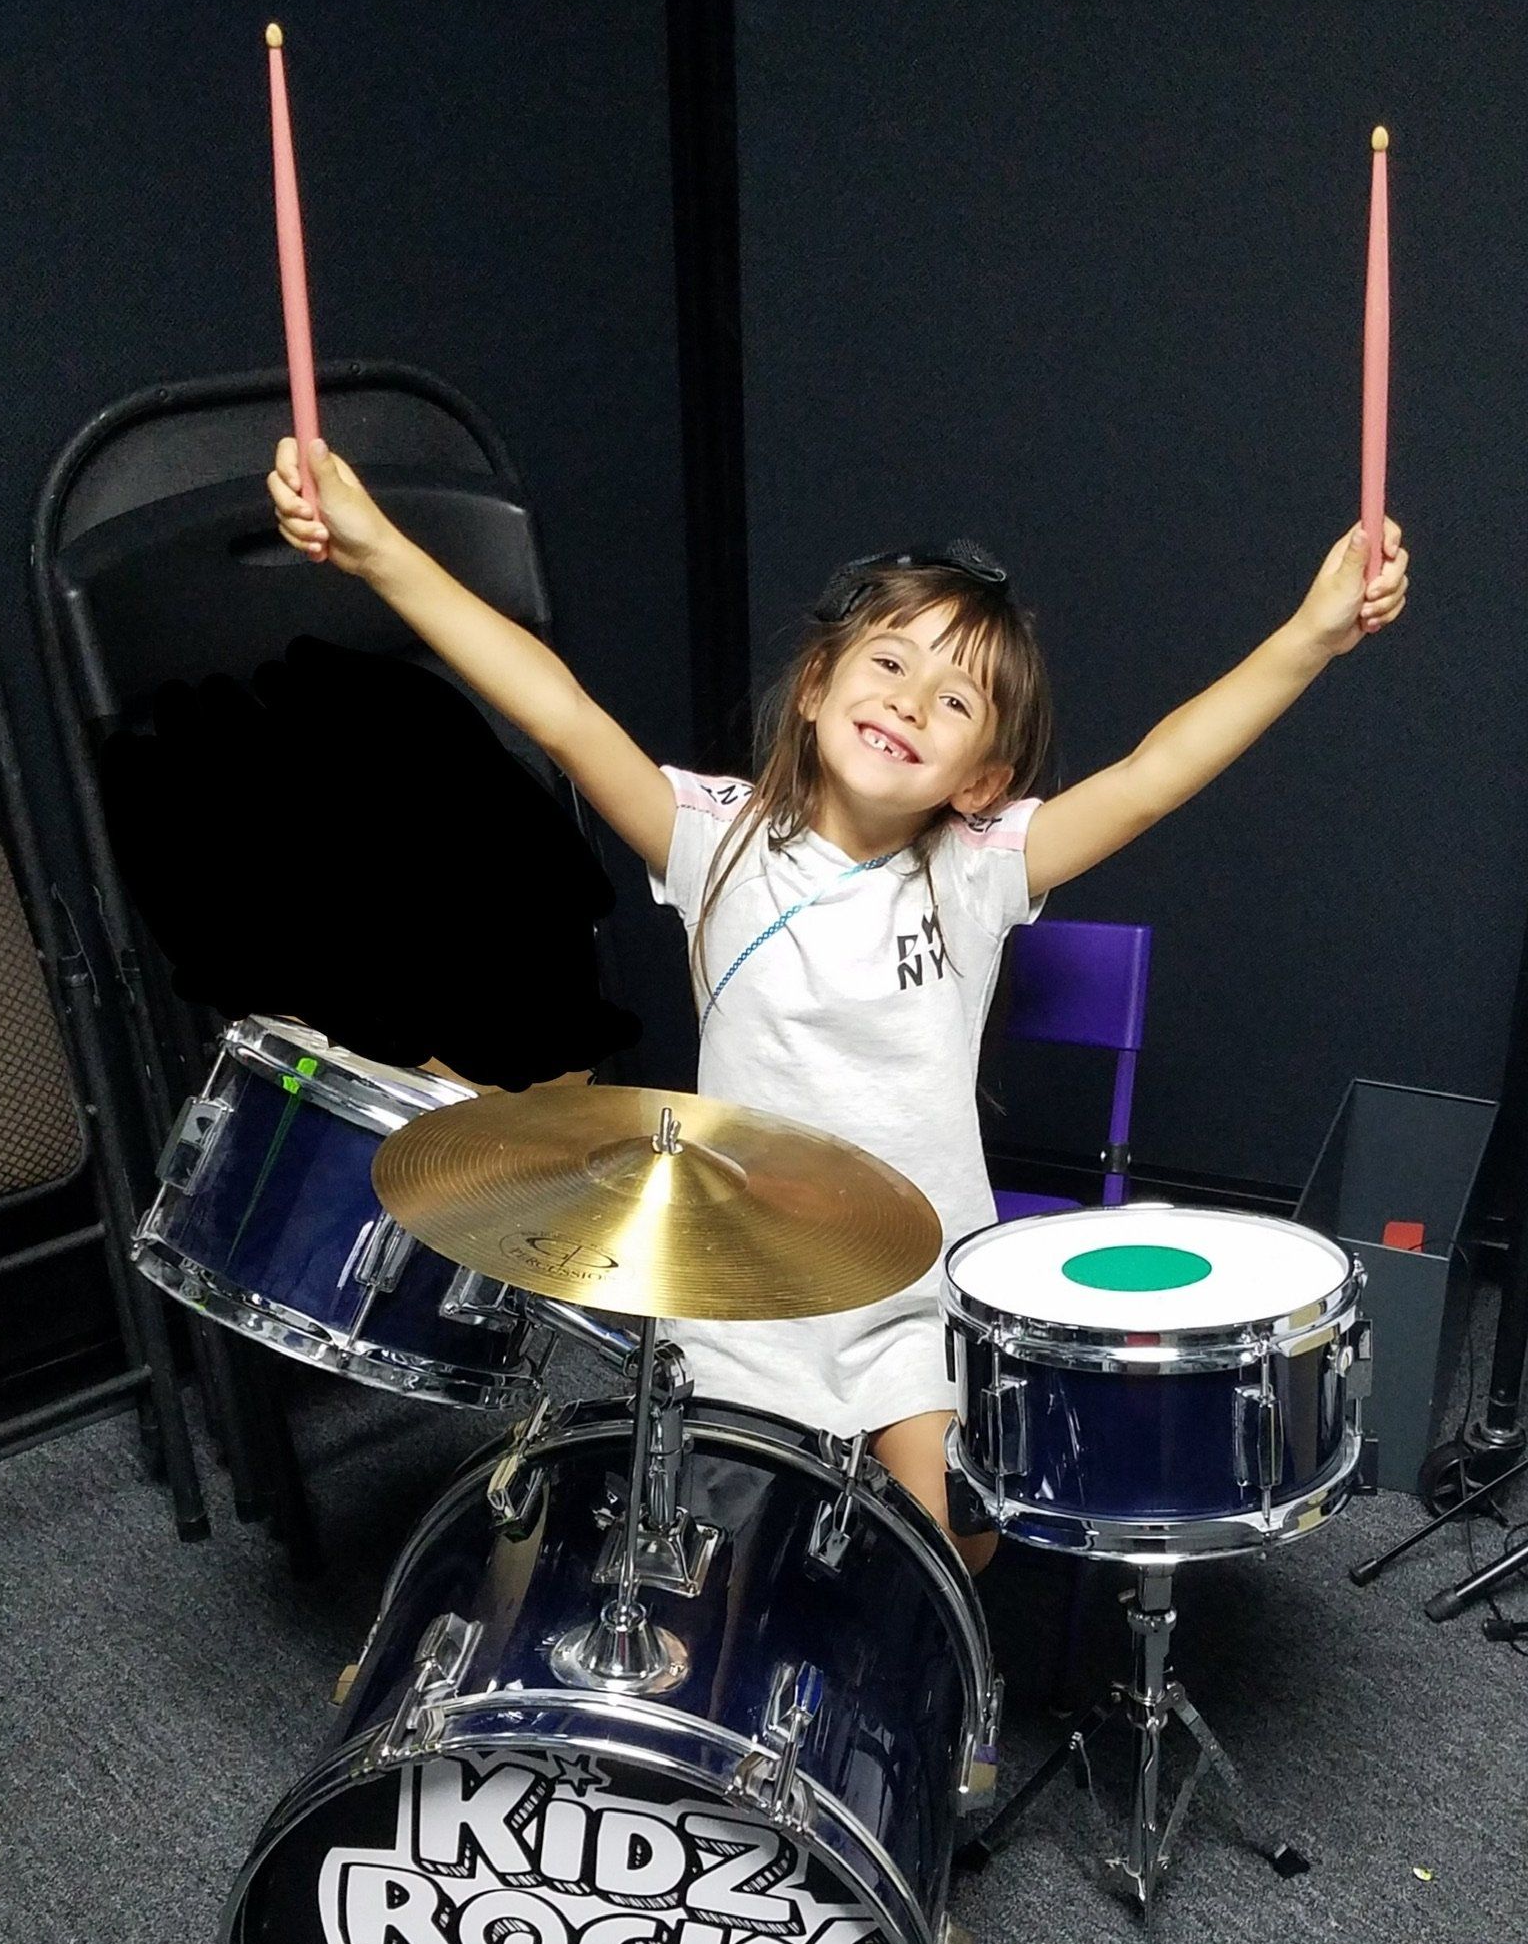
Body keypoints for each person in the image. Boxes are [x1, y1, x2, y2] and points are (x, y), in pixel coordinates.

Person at [268, 436, 1407, 1567]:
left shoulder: (978, 867)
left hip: (913, 1303)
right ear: (815, 685)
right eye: (890, 663)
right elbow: (558, 711)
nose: (909, 703)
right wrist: (377, 553)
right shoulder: (711, 838)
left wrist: (1310, 636)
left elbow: (1152, 777)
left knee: (949, 1552)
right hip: (739, 1298)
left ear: (982, 778)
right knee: (705, 1576)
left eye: (955, 700)